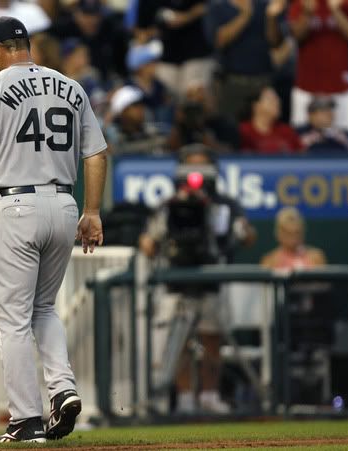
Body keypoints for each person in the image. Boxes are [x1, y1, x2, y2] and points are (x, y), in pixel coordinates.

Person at [0, 17, 107, 442]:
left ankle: (26, 420)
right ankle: (63, 389)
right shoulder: (72, 87)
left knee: (13, 320)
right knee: (44, 308)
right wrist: (92, 211)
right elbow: (96, 155)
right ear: (26, 45)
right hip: (65, 204)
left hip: (16, 204)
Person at [138, 145, 256, 414]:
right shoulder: (170, 205)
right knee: (179, 343)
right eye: (191, 166)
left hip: (211, 278)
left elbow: (247, 237)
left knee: (212, 339)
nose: (196, 174)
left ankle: (210, 395)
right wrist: (151, 239)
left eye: (202, 166)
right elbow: (149, 242)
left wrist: (241, 231)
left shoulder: (225, 204)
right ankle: (185, 397)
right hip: (176, 281)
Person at [204, 0, 288, 121]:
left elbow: (275, 42)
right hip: (230, 82)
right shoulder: (217, 6)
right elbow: (219, 41)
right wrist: (245, 15)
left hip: (262, 80)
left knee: (262, 128)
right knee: (230, 127)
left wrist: (271, 18)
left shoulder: (264, 5)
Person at [289, 0, 348, 129]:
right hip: (306, 86)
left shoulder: (346, 4)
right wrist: (307, 14)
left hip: (340, 87)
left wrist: (335, 11)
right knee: (302, 138)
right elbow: (297, 36)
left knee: (345, 139)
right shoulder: (301, 4)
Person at [135, 0, 213, 98]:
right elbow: (141, 30)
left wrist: (186, 17)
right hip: (165, 56)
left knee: (196, 97)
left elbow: (207, 6)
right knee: (169, 101)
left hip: (196, 52)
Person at [49, 0, 128, 82]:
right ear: (76, 14)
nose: (91, 21)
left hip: (105, 83)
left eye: (95, 15)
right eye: (86, 15)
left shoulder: (112, 30)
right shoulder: (62, 30)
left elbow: (122, 68)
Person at [168, 83, 239, 151]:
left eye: (202, 100)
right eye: (192, 98)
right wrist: (178, 125)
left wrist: (209, 141)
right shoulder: (182, 124)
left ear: (213, 99)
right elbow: (169, 151)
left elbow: (232, 154)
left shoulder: (225, 124)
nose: (197, 105)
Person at [239, 85, 303, 153]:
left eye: (277, 99)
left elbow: (303, 158)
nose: (277, 102)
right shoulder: (242, 132)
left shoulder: (287, 131)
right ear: (256, 106)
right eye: (271, 99)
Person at [105, 85, 166, 154]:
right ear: (123, 111)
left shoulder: (153, 132)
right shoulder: (110, 137)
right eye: (135, 105)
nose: (141, 109)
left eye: (141, 104)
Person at [261, 207, 326, 270]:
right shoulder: (270, 261)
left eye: (296, 232)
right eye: (288, 233)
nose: (293, 239)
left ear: (302, 231)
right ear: (278, 234)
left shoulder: (316, 258)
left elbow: (323, 280)